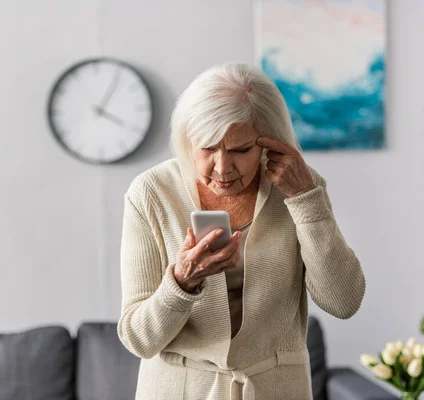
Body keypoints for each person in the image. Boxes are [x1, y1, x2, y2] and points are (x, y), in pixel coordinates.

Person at [117, 63, 366, 400]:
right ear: (187, 139)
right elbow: (139, 339)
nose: (222, 168)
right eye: (207, 148)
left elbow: (343, 302)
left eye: (240, 150)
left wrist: (307, 201)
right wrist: (181, 281)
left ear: (270, 142)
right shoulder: (152, 192)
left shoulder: (299, 187)